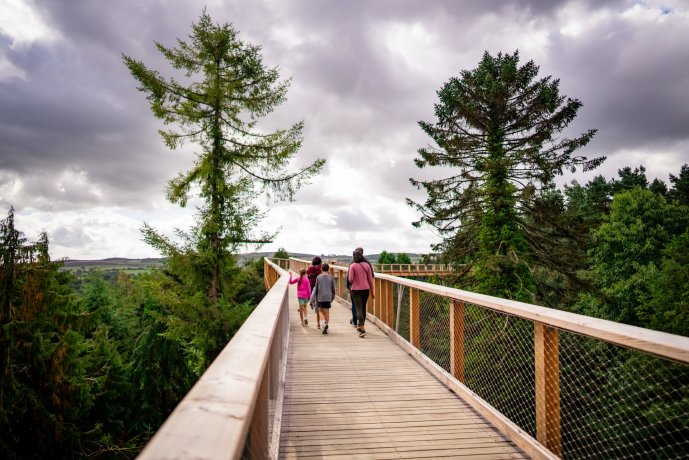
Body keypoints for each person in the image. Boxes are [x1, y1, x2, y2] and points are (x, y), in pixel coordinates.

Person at [348, 251, 375, 337]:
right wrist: (372, 292)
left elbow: (350, 279)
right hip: (366, 290)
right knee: (363, 308)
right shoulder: (367, 265)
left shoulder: (352, 266)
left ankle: (362, 329)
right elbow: (370, 280)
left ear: (354, 257)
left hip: (355, 290)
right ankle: (361, 326)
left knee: (358, 309)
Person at [310, 263, 335, 334]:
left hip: (320, 297)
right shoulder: (330, 277)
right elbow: (333, 289)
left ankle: (323, 322)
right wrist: (332, 297)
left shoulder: (318, 277)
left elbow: (316, 289)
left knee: (320, 310)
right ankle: (326, 325)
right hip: (328, 297)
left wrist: (312, 298)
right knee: (327, 311)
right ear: (328, 269)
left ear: (321, 269)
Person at [307, 257, 323, 328]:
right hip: (319, 287)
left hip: (312, 285)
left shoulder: (310, 268)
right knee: (319, 304)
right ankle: (319, 323)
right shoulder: (320, 269)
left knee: (313, 297)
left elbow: (308, 274)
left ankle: (312, 302)